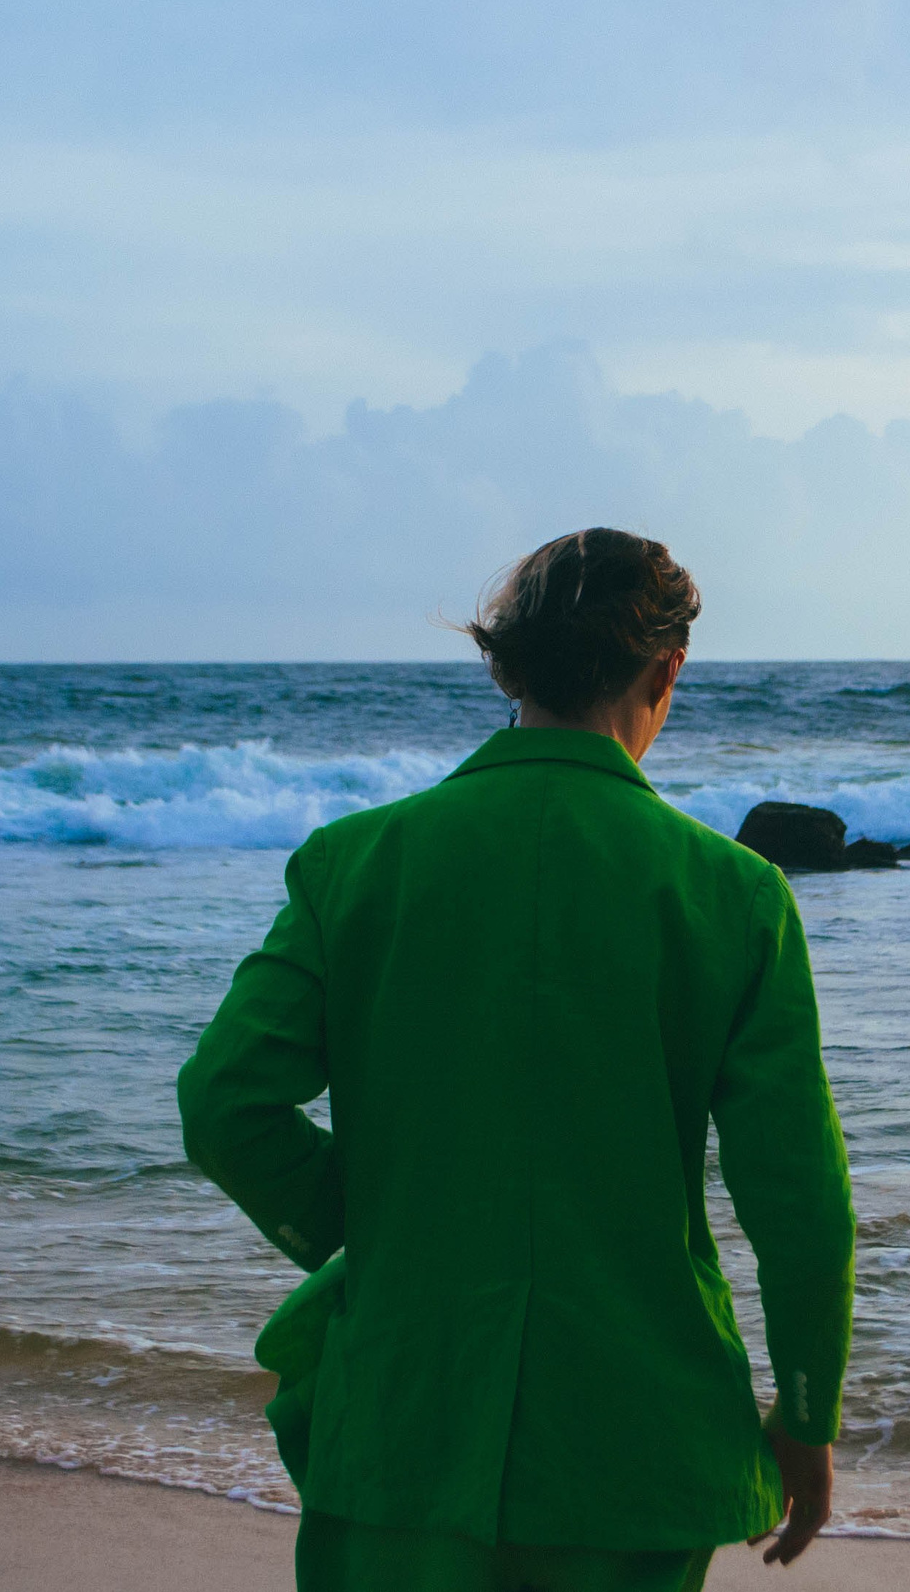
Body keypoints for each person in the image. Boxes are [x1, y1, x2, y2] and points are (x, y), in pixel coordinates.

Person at [179, 528, 854, 1592]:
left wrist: (364, 1236)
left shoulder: (352, 863)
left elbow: (222, 1103)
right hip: (632, 1444)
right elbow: (799, 1198)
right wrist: (807, 1413)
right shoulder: (734, 896)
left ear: (504, 665)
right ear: (666, 669)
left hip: (403, 1419)